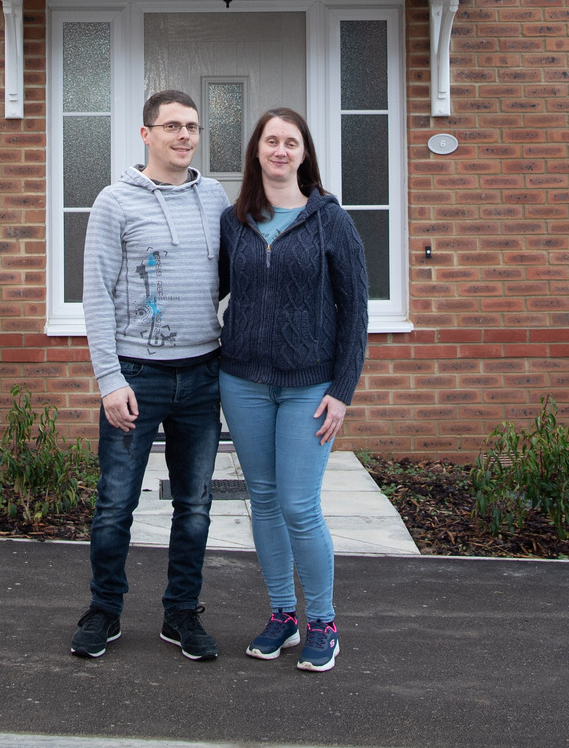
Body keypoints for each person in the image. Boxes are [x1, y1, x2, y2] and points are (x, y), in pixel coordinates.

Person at [71, 90, 230, 662]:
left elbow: (237, 282)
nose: (184, 136)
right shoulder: (115, 202)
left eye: (192, 127)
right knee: (116, 504)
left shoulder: (215, 198)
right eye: (171, 127)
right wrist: (109, 379)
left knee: (194, 505)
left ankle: (181, 614)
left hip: (201, 374)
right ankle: (104, 611)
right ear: (146, 134)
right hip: (136, 376)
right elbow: (95, 295)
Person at [218, 107, 368, 673]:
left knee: (298, 505)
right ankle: (283, 613)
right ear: (256, 151)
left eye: (291, 142)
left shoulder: (330, 219)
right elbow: (217, 291)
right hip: (244, 382)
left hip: (311, 386)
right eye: (270, 141)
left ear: (304, 154)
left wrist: (343, 390)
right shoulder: (236, 220)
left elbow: (355, 312)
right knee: (262, 501)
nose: (280, 150)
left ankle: (323, 622)